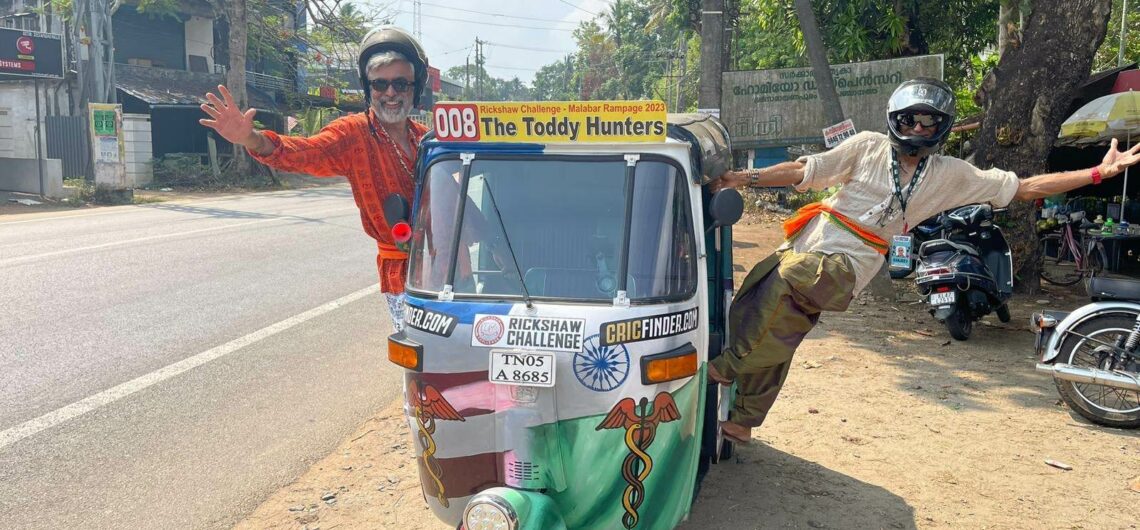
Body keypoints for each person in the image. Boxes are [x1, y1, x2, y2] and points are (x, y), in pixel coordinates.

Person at [707, 77, 1140, 444]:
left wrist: (1098, 173)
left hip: (846, 266)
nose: (918, 127)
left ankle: (723, 370)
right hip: (809, 242)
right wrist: (744, 178)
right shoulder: (865, 147)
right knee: (764, 316)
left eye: (928, 121)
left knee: (788, 281)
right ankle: (743, 423)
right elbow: (804, 170)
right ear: (895, 120)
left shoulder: (952, 174)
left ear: (941, 128)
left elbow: (1025, 187)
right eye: (911, 118)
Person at [199, 26, 431, 331]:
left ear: (416, 88)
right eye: (380, 84)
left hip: (447, 265)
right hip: (403, 274)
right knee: (421, 360)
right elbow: (305, 152)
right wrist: (252, 139)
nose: (390, 93)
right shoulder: (353, 133)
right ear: (368, 88)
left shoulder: (426, 139)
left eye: (400, 84)